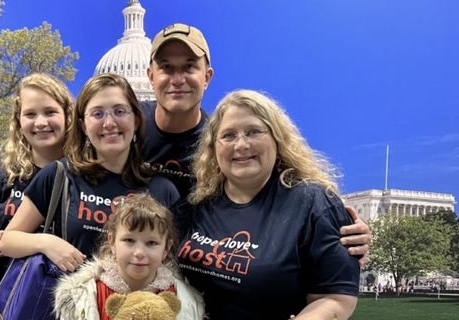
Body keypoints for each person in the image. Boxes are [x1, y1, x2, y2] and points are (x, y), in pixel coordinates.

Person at [142, 22, 371, 264]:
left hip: (208, 263)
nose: (177, 79)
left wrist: (340, 229)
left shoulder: (221, 143)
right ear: (151, 77)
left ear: (207, 77)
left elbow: (282, 188)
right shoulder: (124, 130)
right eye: (167, 68)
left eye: (189, 67)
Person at [174, 89, 360, 319]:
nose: (241, 144)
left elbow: (336, 298)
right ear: (214, 148)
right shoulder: (196, 205)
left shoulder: (313, 203)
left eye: (253, 132)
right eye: (228, 135)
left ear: (277, 139)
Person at [0, 73, 180, 272]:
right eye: (97, 113)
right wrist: (46, 243)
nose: (109, 123)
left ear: (136, 120)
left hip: (134, 302)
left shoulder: (162, 190)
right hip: (67, 300)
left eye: (119, 111)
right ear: (84, 126)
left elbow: (172, 264)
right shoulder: (60, 175)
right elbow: (8, 240)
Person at [0, 73, 74, 319]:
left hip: (60, 301)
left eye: (50, 112)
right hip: (1, 300)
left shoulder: (83, 176)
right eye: (30, 114)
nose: (40, 122)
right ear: (18, 121)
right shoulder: (2, 176)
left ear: (68, 116)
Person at [53, 193, 204, 320]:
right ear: (112, 242)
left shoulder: (185, 301)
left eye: (151, 243)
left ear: (166, 248)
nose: (139, 253)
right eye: (129, 241)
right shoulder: (85, 295)